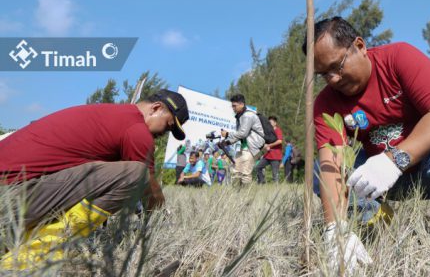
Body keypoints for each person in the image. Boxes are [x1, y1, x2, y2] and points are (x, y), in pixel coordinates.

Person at [305, 17, 430, 273]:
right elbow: (331, 162)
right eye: (323, 74)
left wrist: (394, 159)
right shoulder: (326, 103)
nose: (333, 79)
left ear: (359, 46)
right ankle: (373, 219)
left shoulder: (399, 59)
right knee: (321, 171)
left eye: (337, 66)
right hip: (383, 182)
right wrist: (335, 229)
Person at [0, 89, 189, 270]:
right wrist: (159, 217)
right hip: (10, 198)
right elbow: (148, 187)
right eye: (168, 126)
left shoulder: (109, 115)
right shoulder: (136, 129)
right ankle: (31, 255)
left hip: (12, 193)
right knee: (136, 174)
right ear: (156, 108)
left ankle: (17, 240)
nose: (162, 134)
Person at [219, 94, 265, 186]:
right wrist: (227, 142)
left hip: (253, 146)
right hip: (245, 147)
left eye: (234, 106)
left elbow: (242, 133)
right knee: (235, 170)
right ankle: (237, 194)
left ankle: (245, 196)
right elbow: (238, 135)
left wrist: (227, 134)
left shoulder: (248, 115)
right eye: (232, 106)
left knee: (245, 172)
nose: (233, 108)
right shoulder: (239, 116)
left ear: (242, 104)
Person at [254, 116, 284, 184]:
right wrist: (265, 145)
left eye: (270, 122)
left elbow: (279, 141)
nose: (269, 124)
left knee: (275, 173)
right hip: (267, 155)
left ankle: (276, 187)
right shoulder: (268, 131)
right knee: (258, 167)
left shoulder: (277, 130)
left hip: (275, 156)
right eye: (268, 122)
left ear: (275, 123)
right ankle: (262, 181)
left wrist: (269, 145)